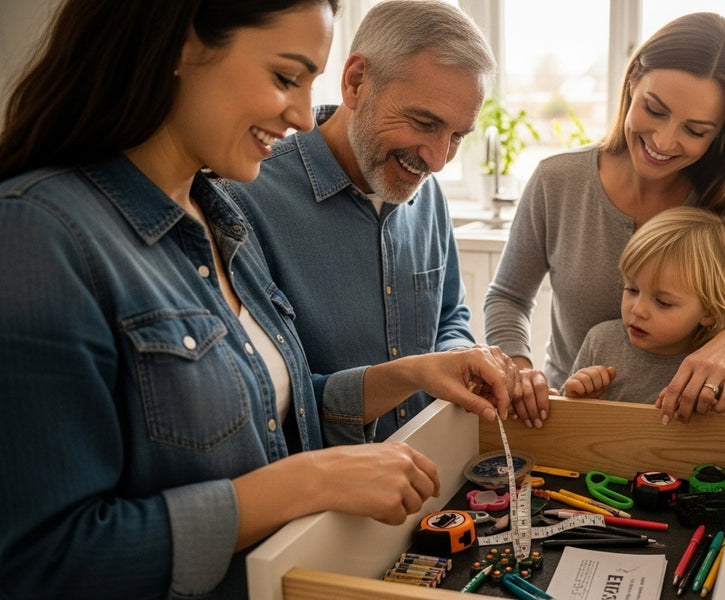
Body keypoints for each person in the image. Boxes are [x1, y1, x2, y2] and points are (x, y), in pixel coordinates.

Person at [0, 1, 520, 597]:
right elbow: (39, 562)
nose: (303, 116)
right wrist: (310, 481)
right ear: (180, 49)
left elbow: (284, 414)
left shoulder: (217, 221)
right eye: (284, 78)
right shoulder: (36, 234)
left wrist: (414, 372)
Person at [219, 0, 530, 441]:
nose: (438, 160)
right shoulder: (244, 202)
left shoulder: (427, 191)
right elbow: (276, 407)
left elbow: (449, 316)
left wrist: (461, 358)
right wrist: (412, 375)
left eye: (457, 136)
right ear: (356, 82)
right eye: (424, 122)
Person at [485, 12, 725, 425]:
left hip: (688, 437)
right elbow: (508, 297)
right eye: (654, 110)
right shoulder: (558, 180)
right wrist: (520, 371)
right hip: (572, 421)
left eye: (695, 130)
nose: (663, 141)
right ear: (633, 79)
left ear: (722, 133)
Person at [562, 207, 725, 412]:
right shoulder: (600, 341)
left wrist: (714, 420)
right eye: (632, 289)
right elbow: (563, 426)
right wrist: (578, 400)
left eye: (663, 302)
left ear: (710, 312)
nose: (638, 310)